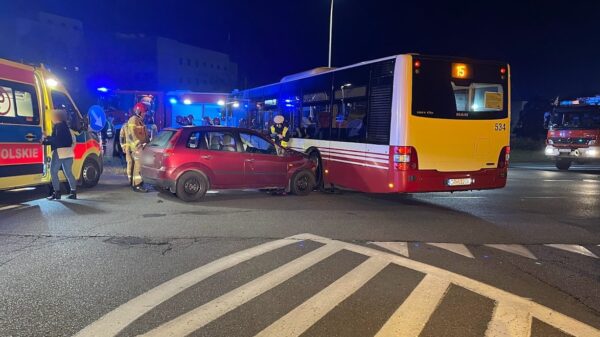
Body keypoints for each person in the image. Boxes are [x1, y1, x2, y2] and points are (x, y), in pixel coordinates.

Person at [42, 109, 77, 200]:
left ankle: (57, 193)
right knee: (69, 173)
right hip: (69, 152)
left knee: (53, 172)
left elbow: (56, 140)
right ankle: (73, 192)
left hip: (60, 152)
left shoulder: (58, 126)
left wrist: (45, 140)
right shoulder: (66, 127)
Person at [125, 103, 150, 192]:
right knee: (138, 166)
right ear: (138, 111)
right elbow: (132, 134)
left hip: (140, 148)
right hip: (136, 148)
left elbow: (143, 135)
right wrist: (138, 145)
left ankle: (138, 183)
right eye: (143, 112)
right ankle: (137, 185)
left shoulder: (139, 121)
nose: (144, 114)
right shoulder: (133, 120)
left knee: (139, 166)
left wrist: (148, 143)